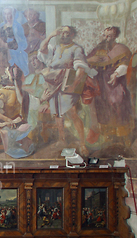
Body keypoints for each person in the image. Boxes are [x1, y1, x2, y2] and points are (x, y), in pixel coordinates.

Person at [38, 26, 97, 156]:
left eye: (67, 33)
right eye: (62, 32)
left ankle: (82, 144)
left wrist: (73, 85)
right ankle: (62, 140)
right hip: (53, 82)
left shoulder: (76, 49)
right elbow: (42, 50)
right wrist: (51, 35)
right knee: (57, 114)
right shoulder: (56, 47)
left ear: (72, 35)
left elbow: (81, 69)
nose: (64, 35)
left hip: (67, 81)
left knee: (72, 112)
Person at [85, 26, 133, 146]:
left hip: (115, 82)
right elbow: (87, 61)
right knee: (102, 107)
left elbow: (125, 64)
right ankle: (108, 136)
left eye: (109, 36)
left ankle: (123, 135)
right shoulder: (98, 49)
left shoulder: (122, 49)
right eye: (105, 36)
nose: (106, 39)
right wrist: (91, 61)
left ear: (115, 37)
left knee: (117, 103)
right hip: (100, 82)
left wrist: (116, 73)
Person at [0, 7, 29, 76]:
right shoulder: (1, 26)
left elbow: (20, 43)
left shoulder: (17, 27)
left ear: (13, 14)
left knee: (11, 72)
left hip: (13, 54)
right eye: (5, 14)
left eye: (9, 13)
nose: (7, 16)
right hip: (1, 54)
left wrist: (4, 44)